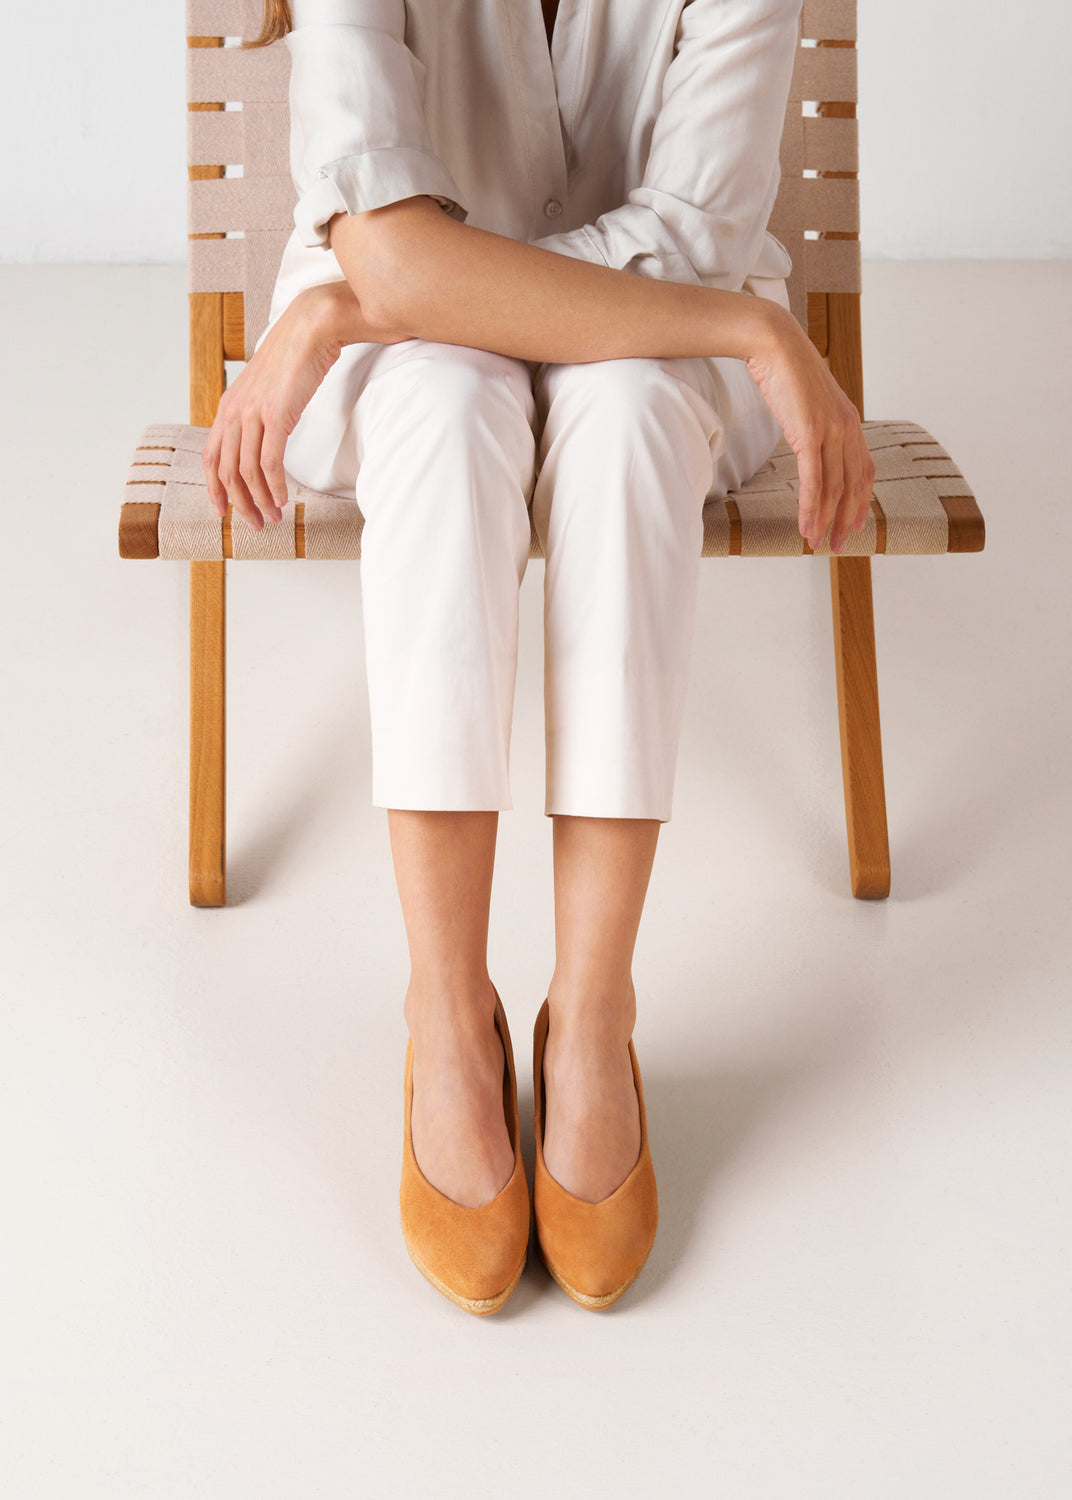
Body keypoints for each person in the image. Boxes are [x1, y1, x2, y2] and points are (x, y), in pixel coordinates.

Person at [202, 0, 875, 1314]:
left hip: (615, 344)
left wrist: (394, 287)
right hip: (427, 354)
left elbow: (691, 241)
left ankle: (593, 1018)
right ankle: (448, 1024)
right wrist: (746, 330)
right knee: (451, 405)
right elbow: (399, 259)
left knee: (618, 416)